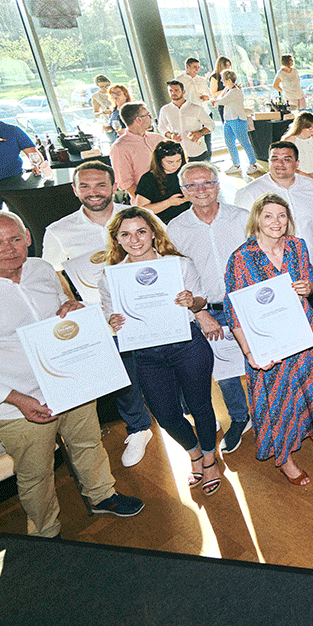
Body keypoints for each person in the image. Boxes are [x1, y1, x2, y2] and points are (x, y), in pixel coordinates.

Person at [0, 210, 144, 537]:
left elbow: (62, 311)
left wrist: (71, 309)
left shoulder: (41, 268)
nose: (10, 249)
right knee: (36, 474)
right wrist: (16, 399)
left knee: (88, 445)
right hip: (15, 406)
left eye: (15, 239)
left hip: (71, 384)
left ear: (27, 236)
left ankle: (102, 496)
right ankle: (45, 534)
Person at [38, 161, 156, 465]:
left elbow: (166, 252)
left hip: (147, 302)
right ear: (75, 189)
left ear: (114, 186)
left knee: (163, 359)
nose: (94, 192)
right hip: (99, 314)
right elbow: (50, 274)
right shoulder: (59, 230)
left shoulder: (139, 217)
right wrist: (68, 301)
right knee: (122, 373)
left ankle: (179, 411)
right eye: (86, 186)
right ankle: (139, 427)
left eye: (101, 185)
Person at [99, 208, 221, 494]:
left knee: (201, 405)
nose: (135, 239)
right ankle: (193, 453)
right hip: (145, 354)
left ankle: (209, 458)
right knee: (165, 415)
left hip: (187, 345)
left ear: (153, 231)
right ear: (117, 239)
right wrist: (113, 322)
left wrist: (192, 301)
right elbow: (110, 317)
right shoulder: (110, 277)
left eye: (141, 231)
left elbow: (200, 299)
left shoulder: (178, 265)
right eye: (125, 234)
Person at [226, 194, 313, 484]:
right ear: (257, 220)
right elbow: (234, 310)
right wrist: (249, 352)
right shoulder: (241, 258)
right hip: (267, 340)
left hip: (303, 330)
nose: (275, 222)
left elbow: (310, 283)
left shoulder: (297, 245)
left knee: (310, 385)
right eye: (268, 216)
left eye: (281, 215)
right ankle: (285, 459)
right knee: (280, 397)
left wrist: (308, 286)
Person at [167, 161, 253, 454]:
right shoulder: (176, 228)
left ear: (218, 185)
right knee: (226, 371)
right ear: (183, 190)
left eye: (207, 183)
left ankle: (269, 412)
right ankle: (240, 417)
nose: (201, 190)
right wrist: (200, 314)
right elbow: (175, 277)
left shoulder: (242, 218)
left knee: (260, 362)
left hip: (247, 304)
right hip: (208, 311)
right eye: (193, 185)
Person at [234, 141, 313, 268]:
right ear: (269, 161)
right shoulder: (250, 193)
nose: (280, 164)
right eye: (275, 159)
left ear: (297, 163)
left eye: (286, 159)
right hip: (274, 270)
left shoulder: (312, 187)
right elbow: (242, 235)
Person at [212, 70, 260, 176]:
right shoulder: (229, 90)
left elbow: (221, 101)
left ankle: (253, 164)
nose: (221, 81)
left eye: (223, 79)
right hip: (228, 120)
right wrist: (224, 90)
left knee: (244, 143)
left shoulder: (235, 92)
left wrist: (212, 99)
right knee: (229, 143)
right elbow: (219, 98)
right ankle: (236, 165)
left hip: (238, 120)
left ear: (229, 80)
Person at [132, 140, 189, 224]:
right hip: (163, 223)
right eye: (170, 162)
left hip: (186, 219)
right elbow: (141, 210)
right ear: (159, 160)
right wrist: (169, 202)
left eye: (178, 161)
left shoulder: (185, 172)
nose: (175, 165)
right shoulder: (148, 179)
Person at [157, 80, 212, 162]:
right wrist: (171, 136)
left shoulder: (196, 108)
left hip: (197, 151)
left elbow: (211, 125)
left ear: (183, 92)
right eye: (170, 91)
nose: (173, 93)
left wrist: (200, 133)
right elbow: (161, 127)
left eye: (176, 90)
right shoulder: (165, 110)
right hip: (177, 153)